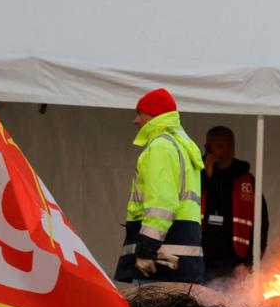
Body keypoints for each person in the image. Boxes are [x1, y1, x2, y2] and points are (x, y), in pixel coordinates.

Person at [114, 88, 205, 284]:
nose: (135, 120)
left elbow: (161, 206)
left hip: (160, 263)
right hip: (180, 260)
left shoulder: (160, 147)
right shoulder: (182, 146)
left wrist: (146, 250)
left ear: (152, 116)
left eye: (139, 114)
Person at [199, 126, 269, 281]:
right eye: (220, 146)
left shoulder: (247, 181)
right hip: (200, 263)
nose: (226, 151)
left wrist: (250, 264)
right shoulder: (195, 176)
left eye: (230, 146)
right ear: (208, 148)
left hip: (235, 266)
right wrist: (206, 176)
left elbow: (261, 226)